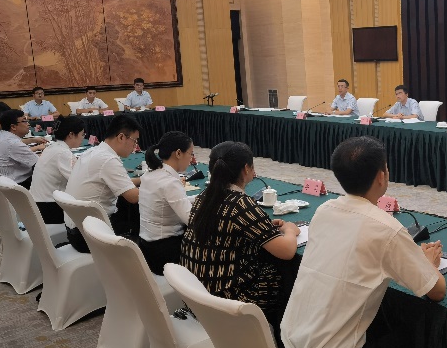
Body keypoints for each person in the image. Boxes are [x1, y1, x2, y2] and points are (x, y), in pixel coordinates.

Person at [279, 136, 446, 348]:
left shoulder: (324, 210)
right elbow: (436, 291)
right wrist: (428, 263)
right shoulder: (386, 228)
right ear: (382, 176)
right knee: (410, 347)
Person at [179, 141, 301, 327]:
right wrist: (290, 230)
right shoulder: (240, 203)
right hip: (225, 301)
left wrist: (264, 227)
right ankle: (280, 333)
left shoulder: (204, 196)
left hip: (196, 293)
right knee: (284, 273)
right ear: (246, 169)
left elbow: (225, 228)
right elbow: (287, 251)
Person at [63, 115, 143, 252]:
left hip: (76, 231)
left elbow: (122, 184)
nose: (135, 146)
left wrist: (144, 179)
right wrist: (160, 187)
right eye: (134, 140)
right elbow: (134, 196)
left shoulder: (93, 151)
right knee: (138, 210)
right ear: (121, 137)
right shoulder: (108, 159)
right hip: (90, 237)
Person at [138, 131, 196, 275]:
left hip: (146, 246)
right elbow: (192, 221)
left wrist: (200, 198)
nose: (191, 159)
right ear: (178, 153)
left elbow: (171, 202)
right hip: (164, 253)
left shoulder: (150, 173)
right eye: (190, 153)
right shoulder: (170, 182)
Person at [30, 116, 86, 224]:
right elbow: (79, 181)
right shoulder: (63, 152)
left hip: (39, 204)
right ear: (71, 134)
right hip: (50, 209)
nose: (83, 138)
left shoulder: (52, 147)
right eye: (82, 134)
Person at [0, 109, 42, 186]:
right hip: (19, 183)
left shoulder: (2, 136)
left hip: (3, 181)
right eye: (24, 121)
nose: (28, 124)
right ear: (13, 127)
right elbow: (39, 163)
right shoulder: (13, 143)